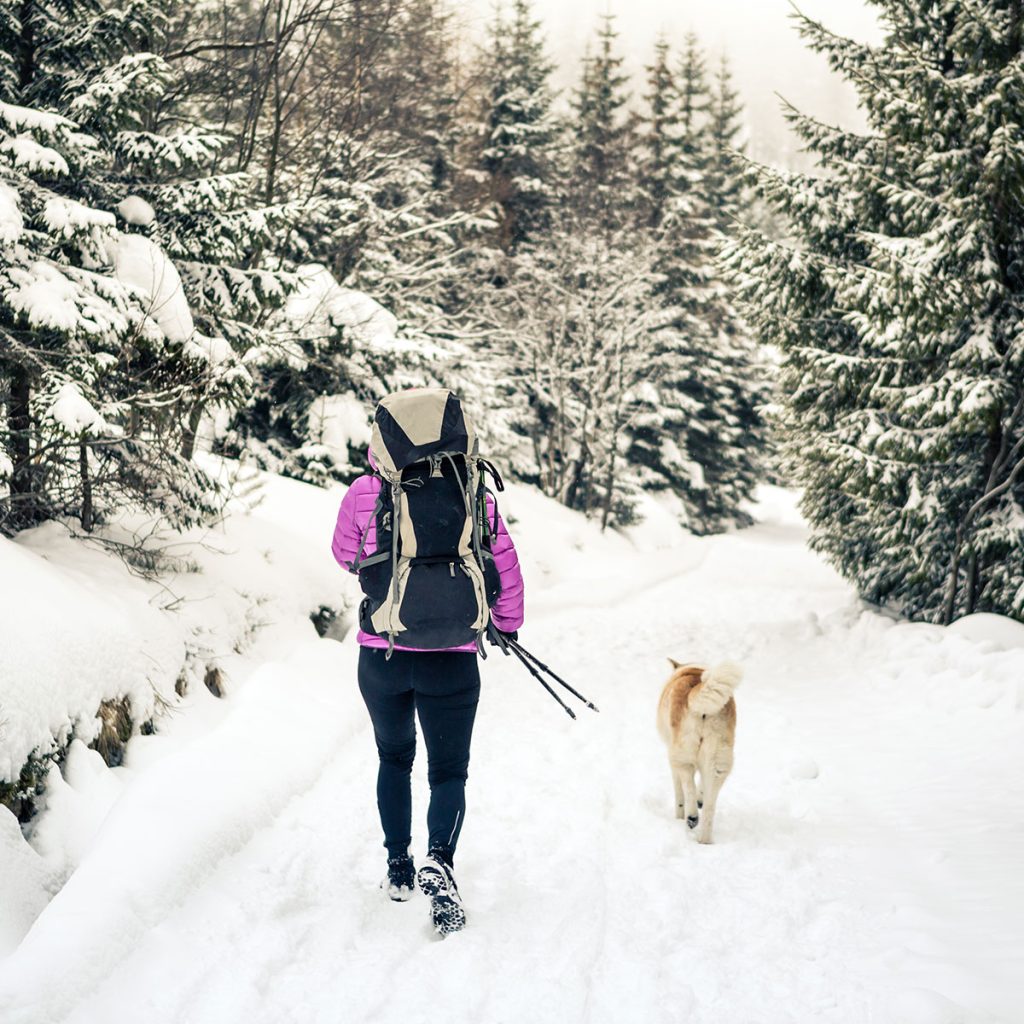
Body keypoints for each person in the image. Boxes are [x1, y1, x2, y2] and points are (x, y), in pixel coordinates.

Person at [331, 403, 524, 936]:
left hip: (383, 653)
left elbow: (345, 555)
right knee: (448, 771)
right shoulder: (472, 494)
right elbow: (504, 566)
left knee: (394, 759)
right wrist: (505, 625)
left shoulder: (364, 492)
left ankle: (398, 867)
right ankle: (441, 860)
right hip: (453, 659)